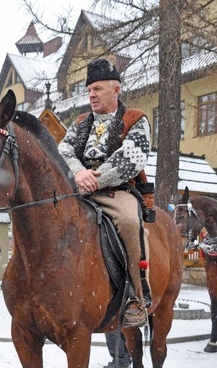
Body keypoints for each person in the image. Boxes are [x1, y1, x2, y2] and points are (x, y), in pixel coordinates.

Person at [58, 57, 152, 328]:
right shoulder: (79, 122)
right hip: (78, 187)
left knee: (131, 222)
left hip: (116, 190)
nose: (91, 95)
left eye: (97, 89)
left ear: (116, 90)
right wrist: (78, 173)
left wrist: (95, 179)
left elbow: (131, 159)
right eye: (89, 90)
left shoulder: (136, 119)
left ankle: (138, 294)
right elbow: (62, 151)